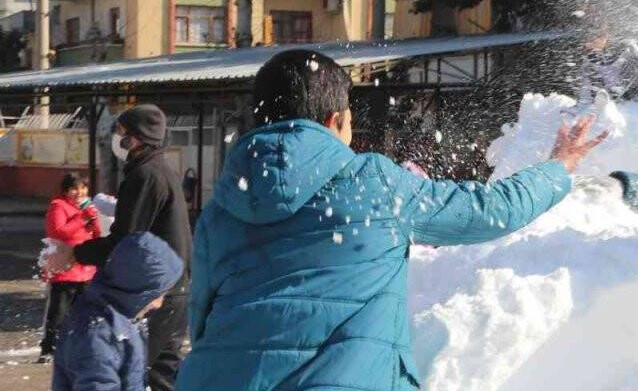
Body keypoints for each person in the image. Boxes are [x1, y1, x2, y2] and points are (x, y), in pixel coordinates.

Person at [176, 49, 605, 391]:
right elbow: (490, 210)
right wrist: (558, 167)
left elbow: (201, 316)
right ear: (334, 120)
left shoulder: (224, 205)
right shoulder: (372, 182)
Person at [48, 104, 192, 391]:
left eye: (121, 132)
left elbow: (125, 243)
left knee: (135, 371)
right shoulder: (161, 170)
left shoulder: (145, 176)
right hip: (174, 287)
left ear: (135, 139)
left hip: (156, 289)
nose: (117, 139)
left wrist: (75, 253)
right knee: (161, 374)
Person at [52, 232, 184, 391]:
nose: (159, 304)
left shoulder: (121, 317)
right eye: (157, 295)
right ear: (136, 290)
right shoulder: (98, 333)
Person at [39, 173, 101, 363]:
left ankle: (82, 346)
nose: (79, 192)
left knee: (87, 311)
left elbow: (96, 233)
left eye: (83, 188)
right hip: (65, 267)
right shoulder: (58, 206)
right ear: (66, 190)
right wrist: (81, 218)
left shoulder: (87, 207)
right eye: (74, 188)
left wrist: (93, 219)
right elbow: (57, 232)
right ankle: (49, 348)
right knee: (59, 311)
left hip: (86, 267)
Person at [577, 14, 638, 106]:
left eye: (595, 36)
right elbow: (586, 96)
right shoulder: (590, 62)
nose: (588, 41)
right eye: (587, 37)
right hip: (615, 103)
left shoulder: (627, 51)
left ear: (606, 36)